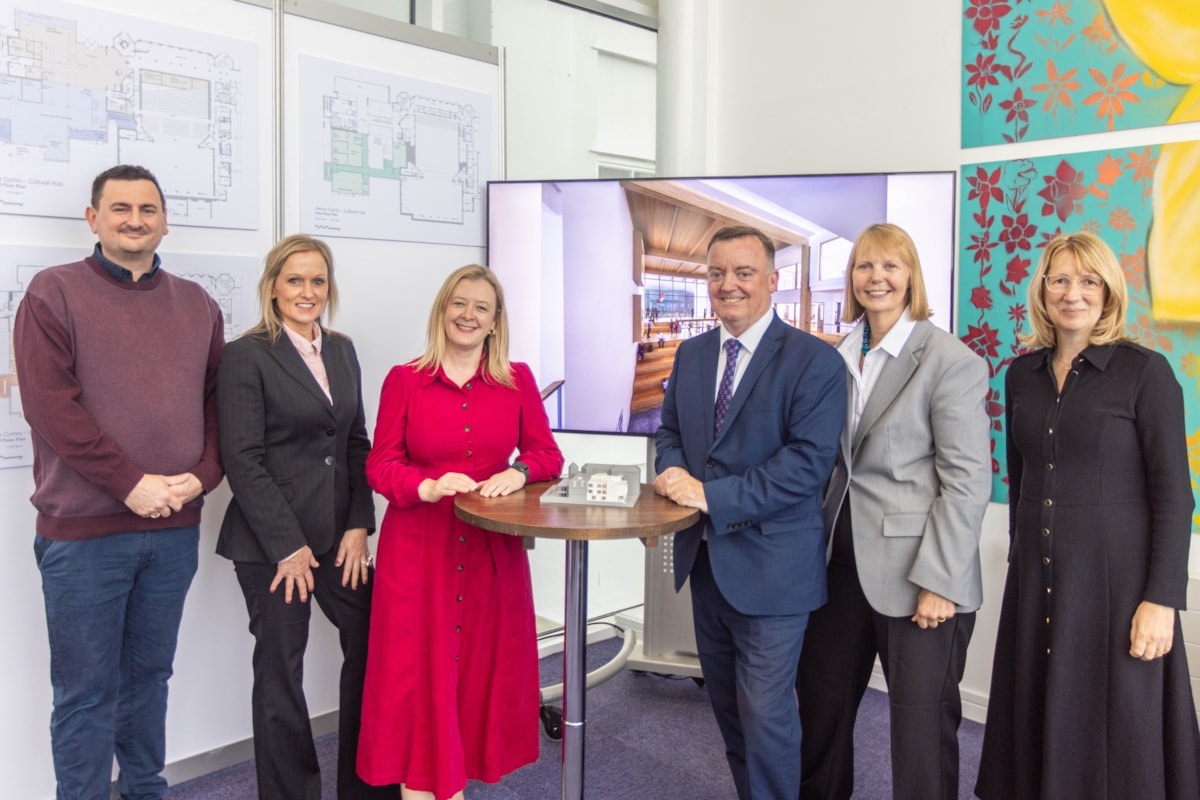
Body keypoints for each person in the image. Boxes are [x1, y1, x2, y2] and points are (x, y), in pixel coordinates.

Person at [14, 164, 224, 799]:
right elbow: (51, 408)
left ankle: (144, 792)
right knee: (85, 693)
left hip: (173, 531)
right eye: (120, 209)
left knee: (148, 680)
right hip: (83, 538)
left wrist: (203, 476)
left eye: (148, 209)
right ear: (93, 219)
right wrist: (130, 482)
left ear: (164, 220)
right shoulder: (53, 294)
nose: (135, 220)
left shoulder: (197, 302)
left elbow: (218, 405)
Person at [975, 232, 1200, 799]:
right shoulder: (1019, 375)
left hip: (1120, 588)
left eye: (1088, 281)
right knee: (1040, 713)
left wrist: (1162, 600)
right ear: (1043, 290)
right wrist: (1023, 561)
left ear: (1107, 292)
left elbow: (1175, 496)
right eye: (1060, 279)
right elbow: (1021, 478)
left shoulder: (1145, 373)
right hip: (1040, 582)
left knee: (1119, 735)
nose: (1072, 293)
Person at [795, 223, 991, 800]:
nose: (876, 278)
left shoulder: (948, 359)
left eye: (890, 266)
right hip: (837, 566)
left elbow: (966, 482)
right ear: (851, 278)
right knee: (821, 714)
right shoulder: (838, 355)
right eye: (864, 266)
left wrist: (940, 580)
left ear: (911, 277)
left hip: (918, 576)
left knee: (921, 731)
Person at [357, 265, 564, 800]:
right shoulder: (405, 379)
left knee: (474, 684)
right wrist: (425, 486)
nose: (468, 315)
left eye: (481, 308)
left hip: (491, 558)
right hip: (420, 554)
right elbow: (380, 465)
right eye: (459, 303)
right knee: (418, 686)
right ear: (442, 310)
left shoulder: (515, 380)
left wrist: (517, 472)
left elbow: (547, 455)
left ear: (496, 322)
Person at [654, 225, 846, 800]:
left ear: (771, 279)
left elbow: (808, 465)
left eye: (742, 273)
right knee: (731, 716)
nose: (728, 285)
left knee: (766, 720)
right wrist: (670, 472)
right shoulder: (690, 354)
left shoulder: (815, 361)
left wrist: (711, 496)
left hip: (774, 571)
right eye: (717, 274)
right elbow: (669, 432)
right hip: (707, 564)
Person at [215, 235, 394, 800]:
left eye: (318, 281)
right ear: (273, 287)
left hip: (340, 537)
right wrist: (288, 546)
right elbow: (241, 459)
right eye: (295, 280)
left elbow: (356, 443)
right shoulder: (246, 355)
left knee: (374, 642)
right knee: (280, 675)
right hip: (274, 545)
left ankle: (365, 787)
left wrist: (360, 524)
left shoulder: (341, 349)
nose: (307, 292)